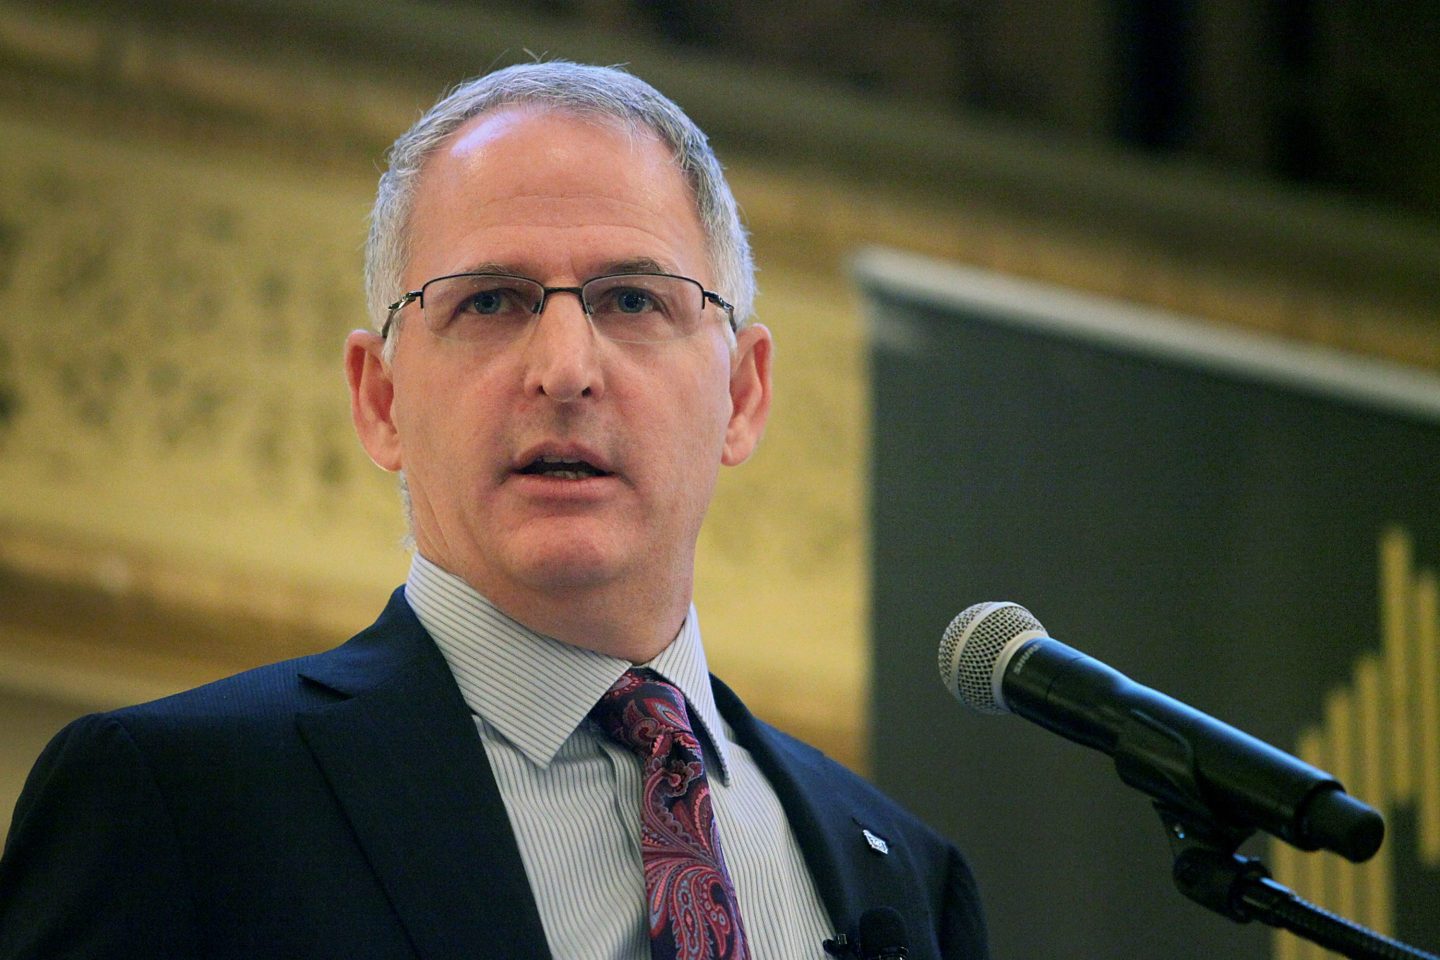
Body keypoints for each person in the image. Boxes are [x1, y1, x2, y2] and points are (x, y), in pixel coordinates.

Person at [0, 62, 988, 959]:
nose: (564, 371)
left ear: (744, 392)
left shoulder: (904, 878)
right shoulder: (181, 803)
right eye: (490, 302)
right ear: (380, 398)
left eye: (635, 300)